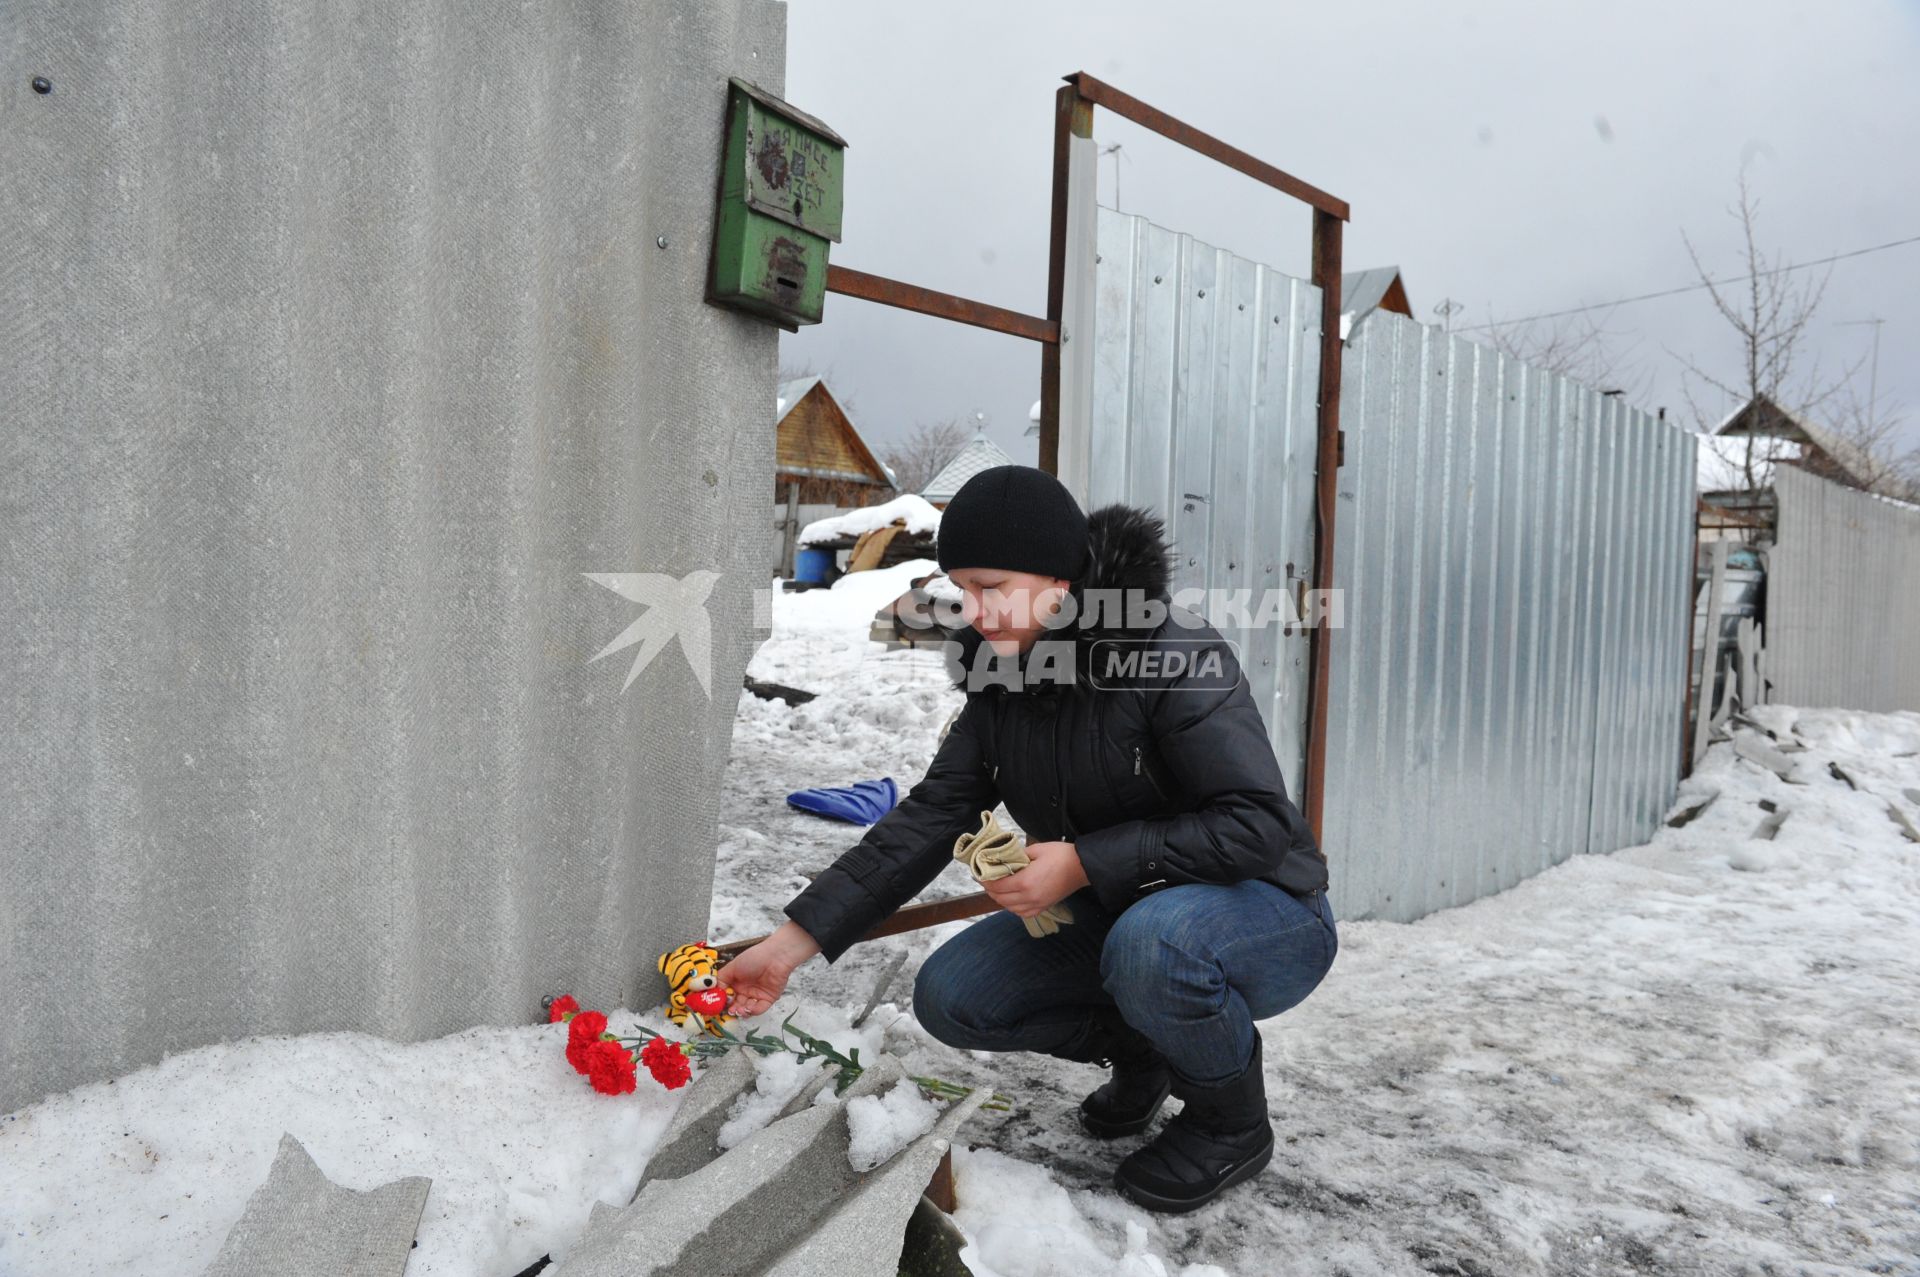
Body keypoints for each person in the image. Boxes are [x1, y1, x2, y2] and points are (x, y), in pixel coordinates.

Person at [714, 464, 1335, 1213]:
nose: (972, 612)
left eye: (990, 586)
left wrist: (1081, 860)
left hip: (1262, 912)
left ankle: (1232, 1122)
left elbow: (1261, 826)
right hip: (1121, 911)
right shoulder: (1005, 677)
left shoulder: (1173, 658)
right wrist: (791, 944)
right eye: (961, 589)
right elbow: (933, 813)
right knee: (954, 996)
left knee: (1155, 944)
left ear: (1063, 579)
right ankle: (1148, 1051)